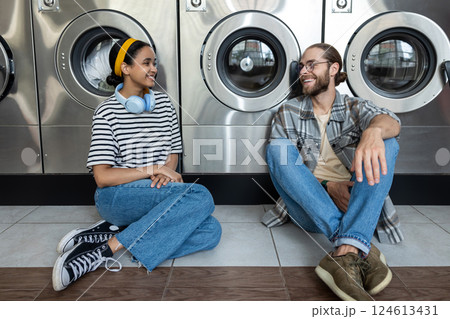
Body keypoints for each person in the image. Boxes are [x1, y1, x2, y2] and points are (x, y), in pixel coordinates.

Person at [52, 38, 222, 291]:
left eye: (154, 63)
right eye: (146, 63)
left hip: (157, 191)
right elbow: (102, 177)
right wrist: (153, 170)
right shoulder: (106, 113)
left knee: (212, 231)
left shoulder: (164, 105)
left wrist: (167, 173)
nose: (154, 68)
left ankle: (116, 235)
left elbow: (173, 152)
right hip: (117, 196)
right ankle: (102, 251)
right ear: (126, 68)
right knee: (201, 196)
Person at [264, 43, 403, 301]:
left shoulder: (355, 107)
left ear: (333, 69)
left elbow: (392, 122)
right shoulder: (289, 111)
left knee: (388, 140)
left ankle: (344, 253)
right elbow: (285, 171)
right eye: (301, 66)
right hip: (310, 206)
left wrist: (373, 132)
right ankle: (357, 245)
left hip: (356, 203)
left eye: (312, 64)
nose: (304, 71)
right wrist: (328, 185)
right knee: (277, 150)